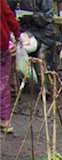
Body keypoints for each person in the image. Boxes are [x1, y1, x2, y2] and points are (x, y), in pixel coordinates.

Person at [7, 0, 54, 72]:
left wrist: (33, 17)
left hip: (44, 34)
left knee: (40, 63)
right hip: (25, 32)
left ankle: (43, 81)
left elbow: (48, 17)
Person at [0, 0, 19, 133]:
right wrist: (17, 34)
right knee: (4, 82)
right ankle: (5, 121)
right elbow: (8, 15)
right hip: (2, 46)